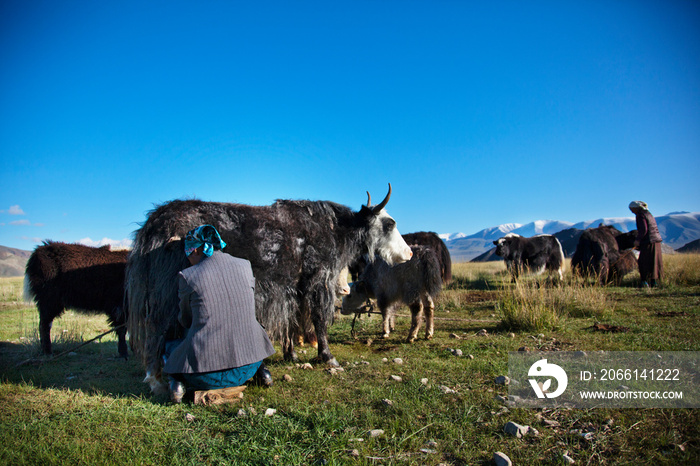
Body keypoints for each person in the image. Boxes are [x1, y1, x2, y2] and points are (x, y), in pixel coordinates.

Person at [164, 225, 276, 403]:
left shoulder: (187, 276)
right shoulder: (245, 265)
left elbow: (186, 320)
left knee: (168, 347)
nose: (189, 259)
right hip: (249, 366)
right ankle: (262, 371)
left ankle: (176, 383)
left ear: (197, 250)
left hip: (205, 376)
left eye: (189, 253)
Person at [629, 201, 663, 288]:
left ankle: (644, 282)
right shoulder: (648, 214)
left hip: (648, 241)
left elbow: (643, 230)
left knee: (643, 262)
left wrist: (638, 240)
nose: (631, 211)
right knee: (654, 261)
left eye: (632, 209)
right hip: (656, 241)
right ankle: (654, 282)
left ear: (636, 208)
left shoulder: (640, 215)